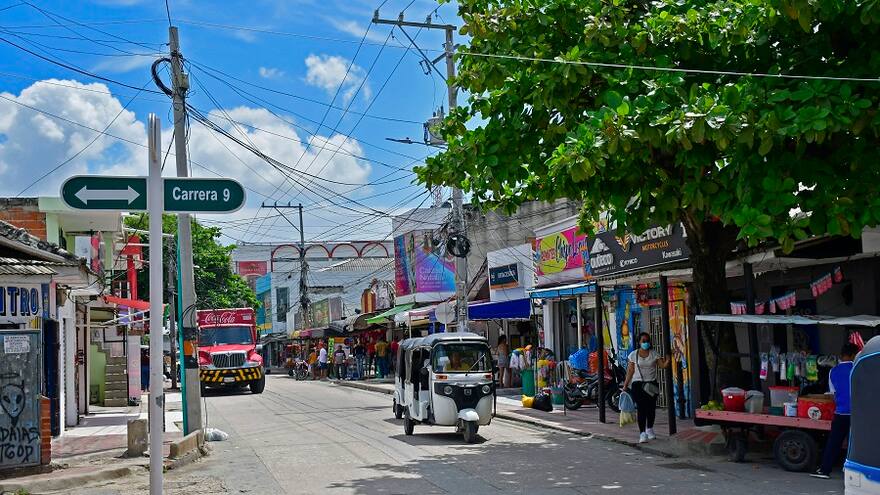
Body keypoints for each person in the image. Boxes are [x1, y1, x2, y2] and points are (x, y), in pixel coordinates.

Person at [812, 343, 858, 479]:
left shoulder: (833, 371)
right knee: (853, 444)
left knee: (833, 442)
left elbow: (833, 395)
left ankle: (824, 470)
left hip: (840, 413)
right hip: (856, 413)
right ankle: (850, 471)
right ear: (854, 355)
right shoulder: (857, 368)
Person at [623, 332, 670, 443]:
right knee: (641, 408)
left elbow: (662, 366)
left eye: (647, 340)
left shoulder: (654, 354)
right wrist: (625, 385)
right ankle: (642, 433)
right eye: (643, 341)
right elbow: (630, 371)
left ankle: (649, 428)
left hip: (651, 385)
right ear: (639, 342)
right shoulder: (633, 355)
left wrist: (668, 360)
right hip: (638, 385)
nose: (646, 343)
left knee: (651, 408)